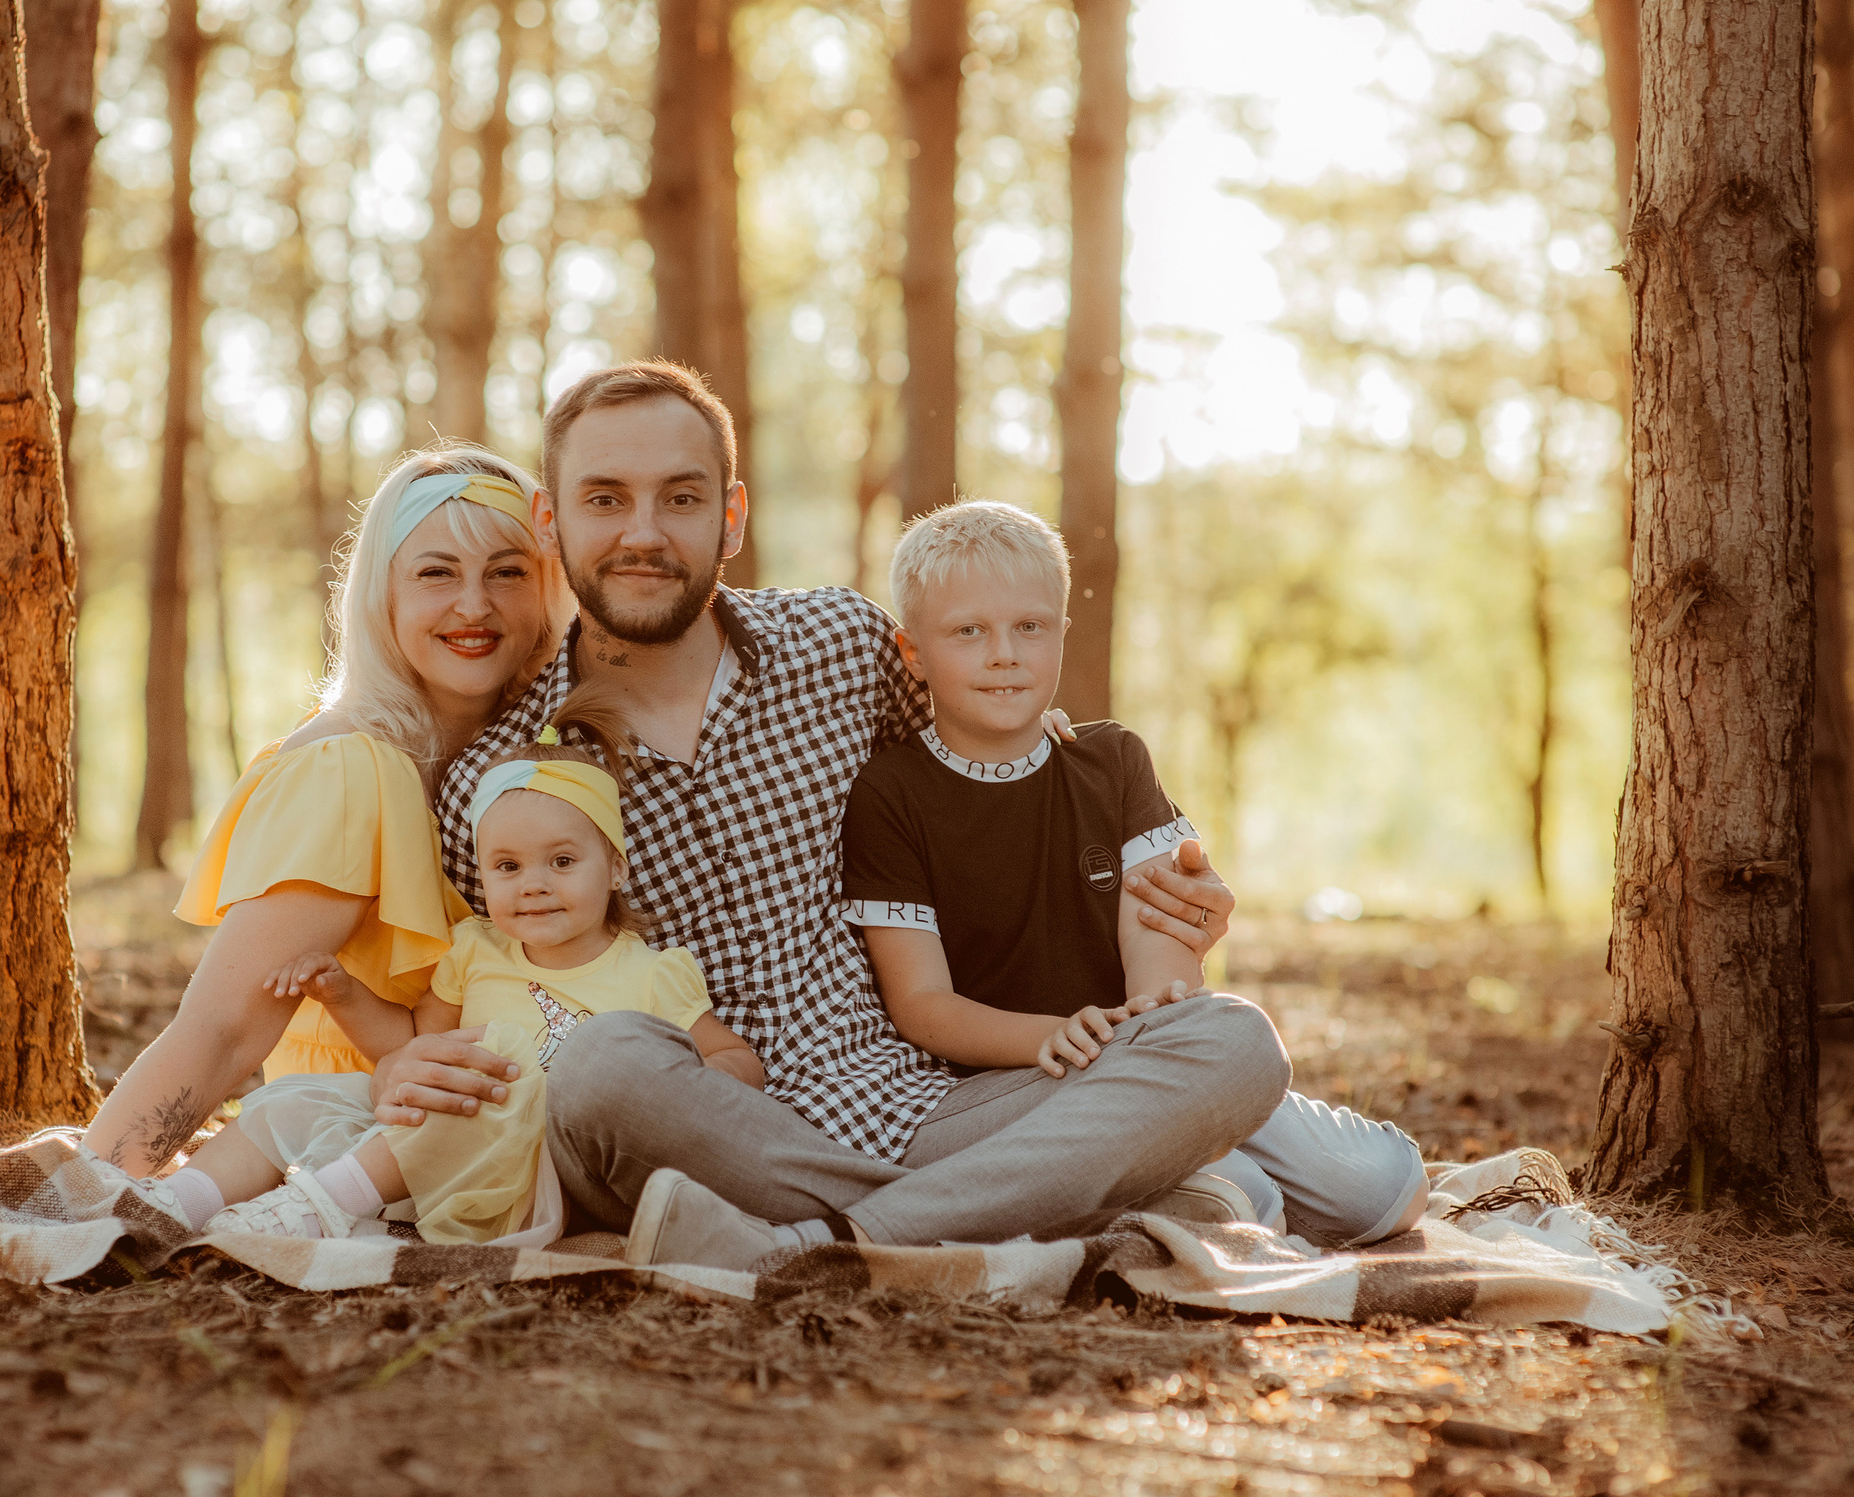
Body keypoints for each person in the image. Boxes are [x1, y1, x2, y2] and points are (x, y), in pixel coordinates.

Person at [362, 360, 1296, 1270]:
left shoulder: (842, 647)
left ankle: (833, 1246)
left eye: (681, 499)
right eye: (604, 498)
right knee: (603, 1063)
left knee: (1233, 1042)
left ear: (731, 517)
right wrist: (400, 1066)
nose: (642, 532)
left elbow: (980, 775)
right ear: (550, 519)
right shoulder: (498, 777)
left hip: (923, 1108)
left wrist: (1160, 882)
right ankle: (1004, 1203)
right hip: (692, 1129)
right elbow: (484, 993)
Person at [830, 500, 1427, 1250]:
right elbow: (921, 1004)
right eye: (968, 632)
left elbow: (1164, 972)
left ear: (1060, 634)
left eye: (1030, 626)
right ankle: (1196, 1161)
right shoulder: (890, 794)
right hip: (1018, 1083)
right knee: (1253, 1200)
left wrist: (1148, 1039)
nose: (1004, 653)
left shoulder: (1111, 762)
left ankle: (1198, 1141)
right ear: (913, 653)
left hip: (1154, 1051)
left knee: (1386, 1188)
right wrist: (1053, 1034)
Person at [72, 446, 572, 1252]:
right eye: (436, 573)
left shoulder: (543, 759)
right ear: (382, 594)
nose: (473, 605)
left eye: (508, 572)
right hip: (350, 1129)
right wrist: (98, 1184)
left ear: (547, 590)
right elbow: (225, 1027)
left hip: (492, 1128)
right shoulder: (351, 768)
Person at [176, 689, 763, 1247]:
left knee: (496, 1074)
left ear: (614, 867)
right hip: (436, 1146)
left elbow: (735, 1059)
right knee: (304, 1098)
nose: (534, 884)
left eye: (562, 861)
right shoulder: (474, 951)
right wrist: (344, 995)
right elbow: (414, 1049)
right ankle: (176, 1203)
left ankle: (318, 1208)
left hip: (549, 1172)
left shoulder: (653, 973)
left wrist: (677, 1092)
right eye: (507, 866)